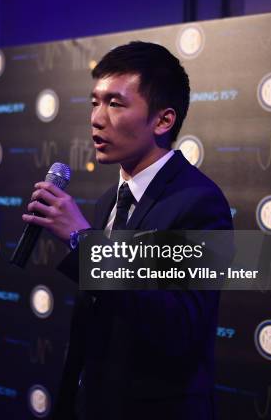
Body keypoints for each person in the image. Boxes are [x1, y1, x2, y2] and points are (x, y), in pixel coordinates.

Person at [22, 41, 233, 419]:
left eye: (115, 104)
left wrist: (84, 242)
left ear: (163, 120)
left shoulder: (199, 202)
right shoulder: (109, 201)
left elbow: (178, 324)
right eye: (94, 102)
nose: (97, 118)